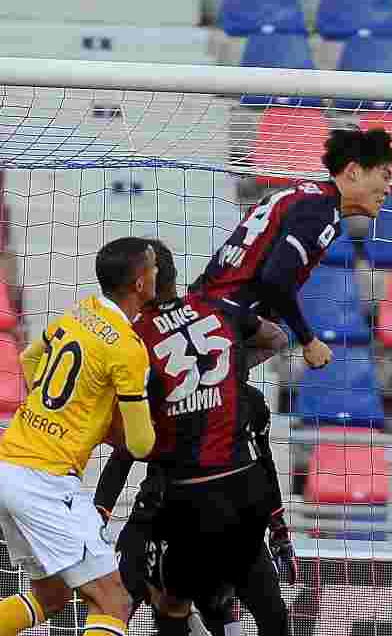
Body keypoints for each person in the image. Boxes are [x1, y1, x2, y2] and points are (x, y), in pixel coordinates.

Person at [0, 237, 160, 636]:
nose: (158, 274)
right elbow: (140, 444)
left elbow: (29, 358)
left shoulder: (81, 313)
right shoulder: (128, 347)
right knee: (113, 600)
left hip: (7, 468)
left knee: (51, 596)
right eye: (153, 268)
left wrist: (62, 413)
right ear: (140, 283)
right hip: (45, 482)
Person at [95, 239, 291, 636]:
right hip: (243, 490)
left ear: (142, 282)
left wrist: (98, 512)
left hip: (184, 496)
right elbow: (277, 338)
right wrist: (227, 375)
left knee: (163, 604)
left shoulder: (137, 339)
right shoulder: (217, 308)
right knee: (268, 611)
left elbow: (128, 449)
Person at [192, 127, 392, 371]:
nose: (388, 189)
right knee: (270, 349)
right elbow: (276, 279)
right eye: (385, 176)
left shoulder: (305, 195)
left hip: (204, 311)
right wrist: (309, 341)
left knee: (273, 341)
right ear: (353, 172)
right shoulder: (319, 210)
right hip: (217, 323)